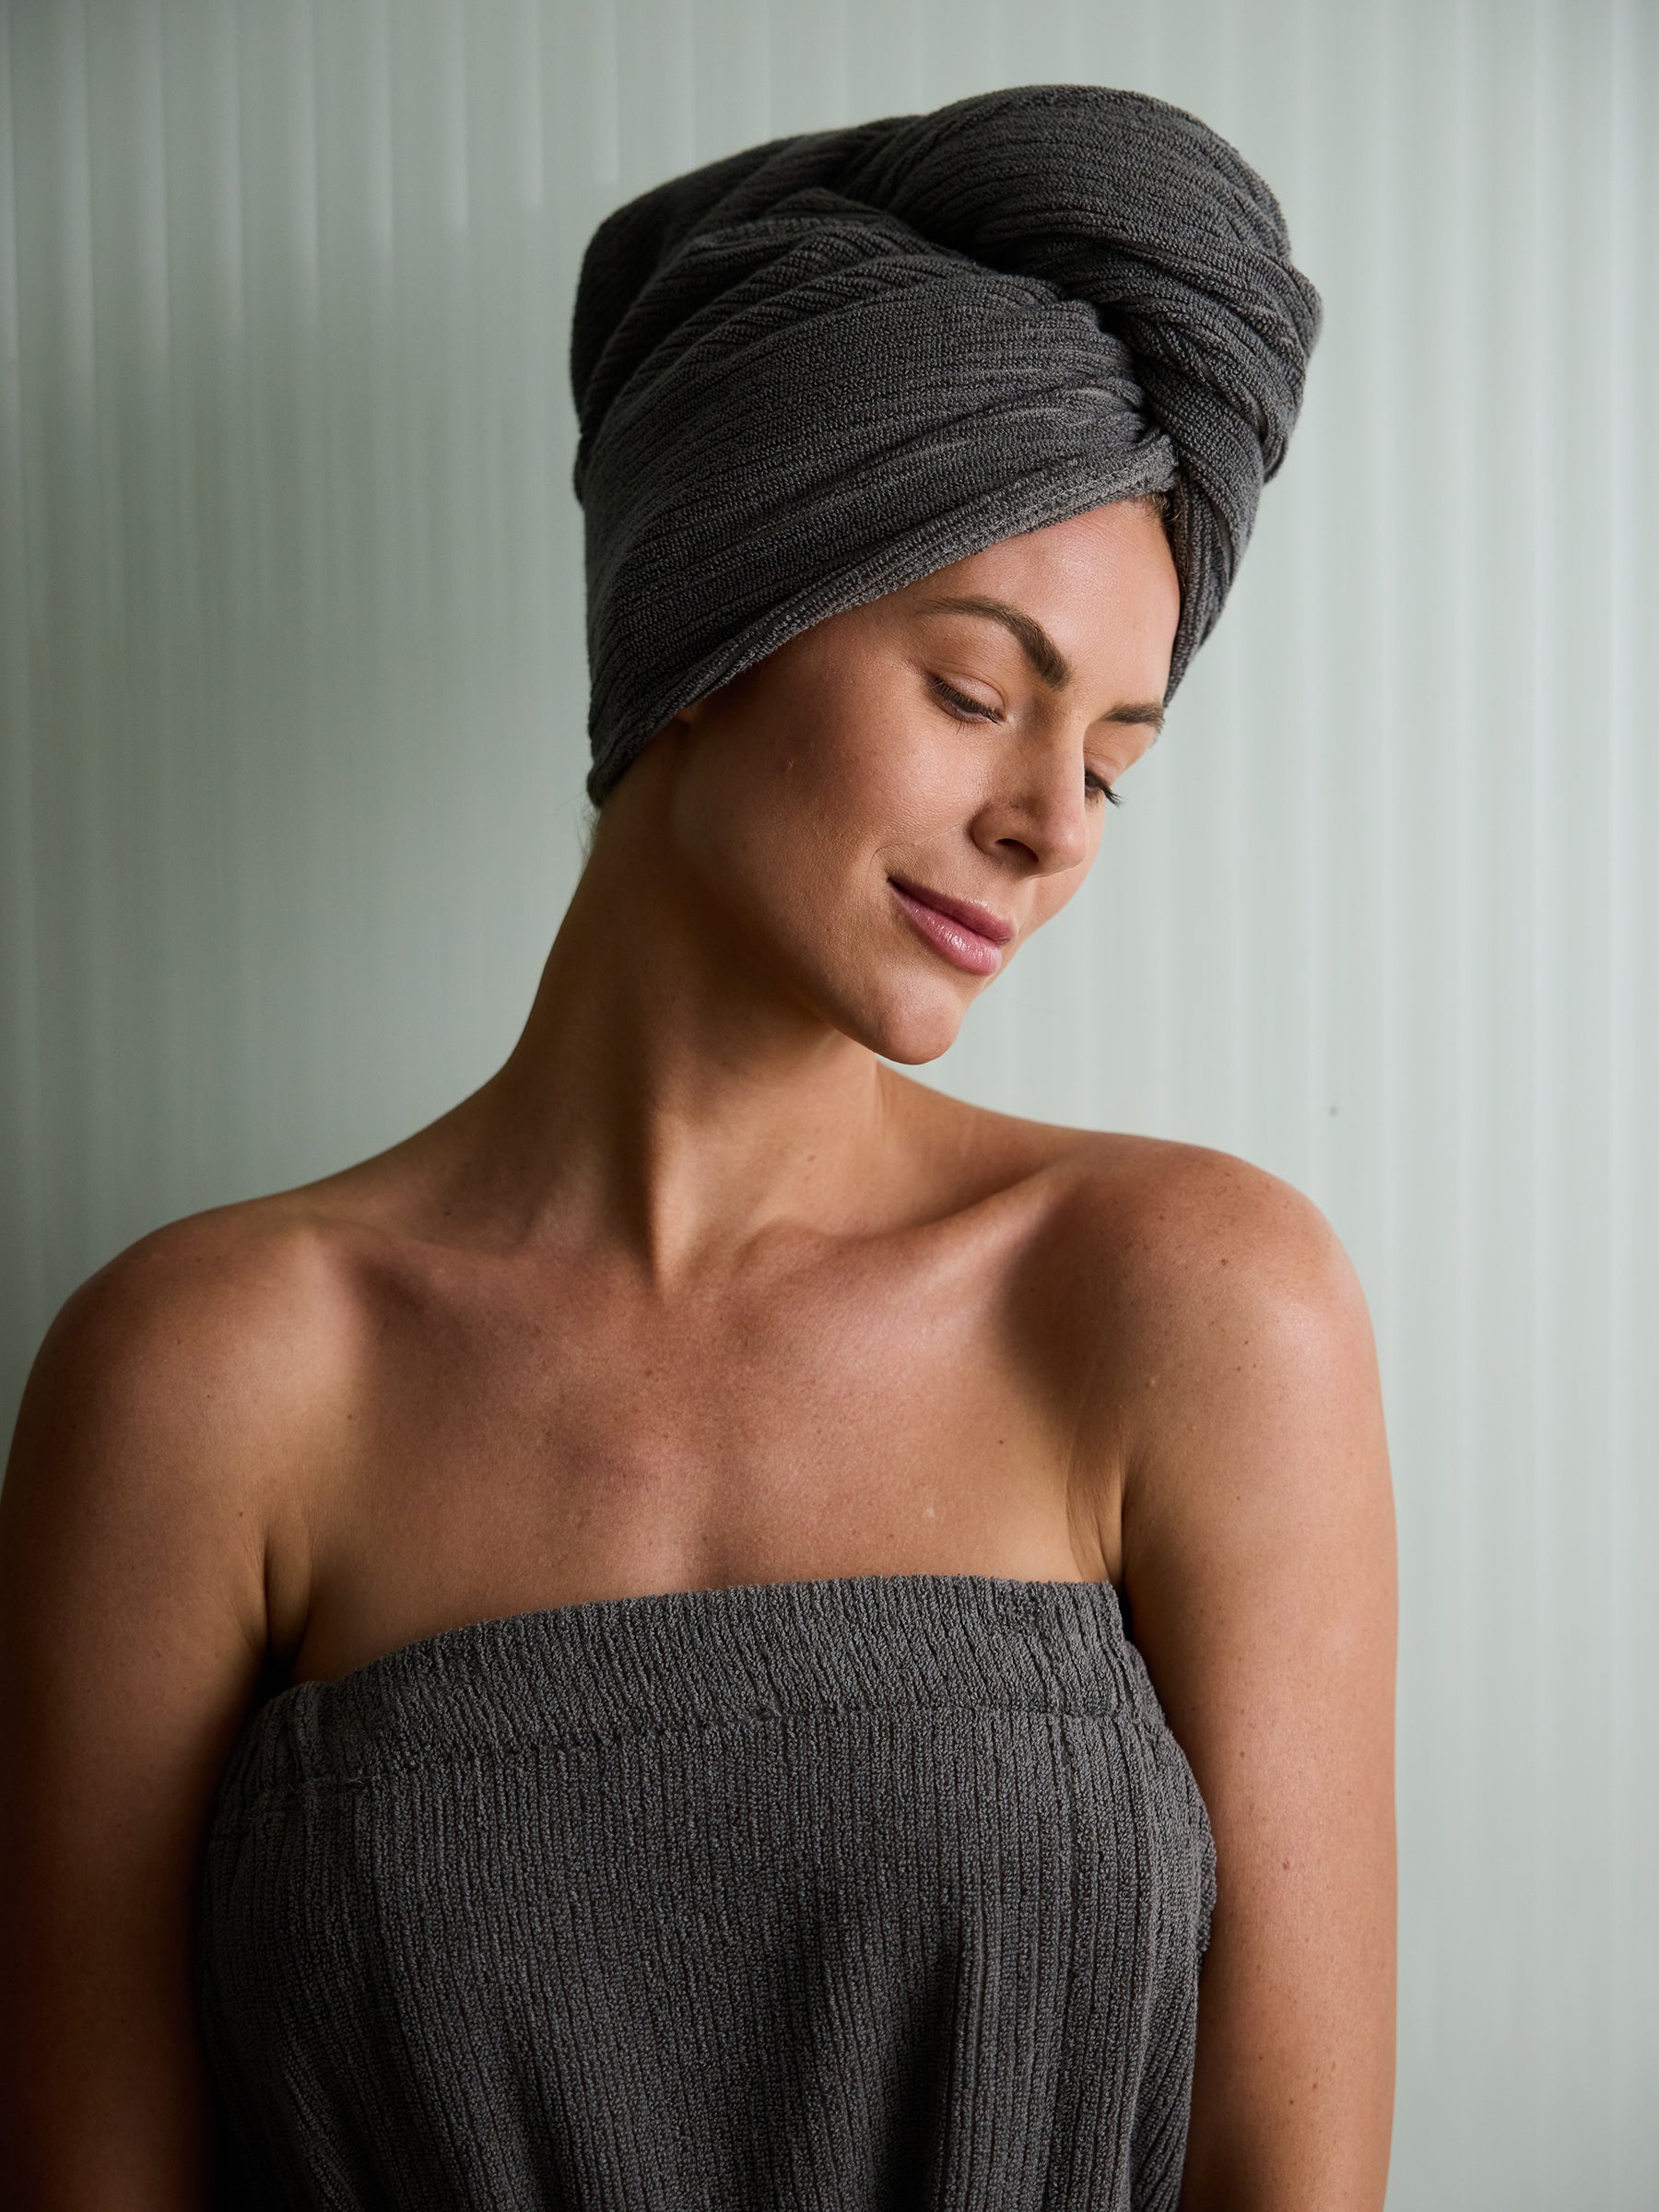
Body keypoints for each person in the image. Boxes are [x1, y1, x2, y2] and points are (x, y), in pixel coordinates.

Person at [0, 83, 1395, 2211]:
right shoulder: (206, 1372)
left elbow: (1294, 2179)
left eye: (1115, 759)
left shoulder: (1191, 1304)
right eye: (972, 691)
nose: (1051, 826)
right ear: (706, 642)